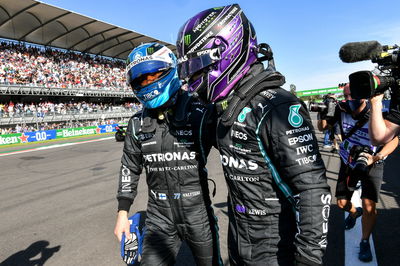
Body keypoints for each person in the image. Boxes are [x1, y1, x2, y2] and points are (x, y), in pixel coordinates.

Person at [176, 4, 331, 265]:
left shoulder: (276, 107)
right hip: (239, 238)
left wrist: (308, 257)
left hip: (277, 246)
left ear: (226, 50)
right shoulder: (224, 108)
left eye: (198, 66)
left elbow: (313, 189)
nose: (192, 76)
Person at [114, 43, 221, 266]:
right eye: (141, 79)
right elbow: (129, 168)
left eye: (152, 75)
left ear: (170, 69)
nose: (147, 82)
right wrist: (122, 213)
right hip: (158, 216)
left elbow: (235, 153)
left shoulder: (200, 111)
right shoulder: (136, 123)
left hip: (198, 213)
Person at [317, 84, 398, 262]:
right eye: (345, 96)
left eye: (352, 95)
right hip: (348, 161)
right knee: (341, 203)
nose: (348, 100)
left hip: (371, 162)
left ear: (363, 95)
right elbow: (322, 127)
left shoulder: (377, 111)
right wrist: (324, 112)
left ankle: (364, 241)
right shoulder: (340, 110)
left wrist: (377, 157)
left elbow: (394, 140)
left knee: (370, 206)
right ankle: (354, 213)